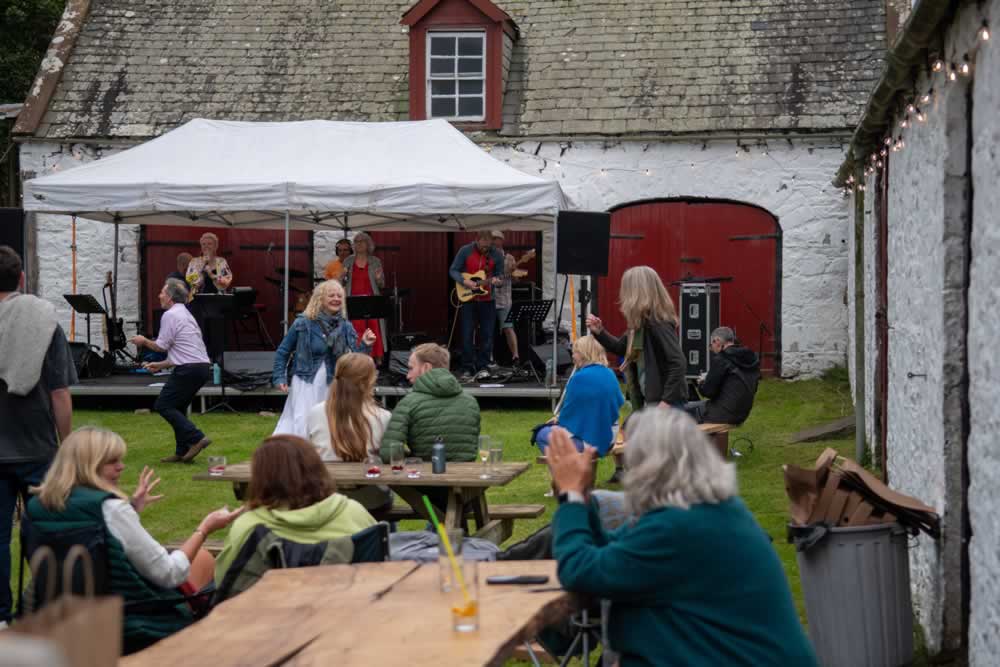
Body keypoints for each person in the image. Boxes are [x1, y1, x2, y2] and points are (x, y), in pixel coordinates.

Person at [546, 410, 818, 666]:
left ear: (651, 469)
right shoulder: (705, 511)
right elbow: (613, 552)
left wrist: (570, 497)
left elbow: (581, 572)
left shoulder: (679, 527)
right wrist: (581, 498)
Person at [26, 427, 243, 653]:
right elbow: (169, 573)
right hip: (129, 623)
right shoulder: (109, 508)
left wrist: (132, 511)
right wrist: (204, 529)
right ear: (88, 465)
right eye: (112, 461)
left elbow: (87, 548)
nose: (121, 466)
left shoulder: (37, 506)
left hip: (56, 616)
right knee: (206, 562)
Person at [0, 246, 76, 627]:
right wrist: (69, 446)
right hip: (36, 442)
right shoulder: (45, 321)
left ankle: (0, 616)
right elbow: (60, 393)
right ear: (22, 279)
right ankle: (46, 607)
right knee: (48, 531)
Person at [214, 435, 376, 584]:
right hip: (349, 608)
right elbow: (383, 568)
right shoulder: (354, 512)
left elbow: (225, 582)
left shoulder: (249, 527)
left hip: (270, 612)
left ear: (260, 478)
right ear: (317, 469)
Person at [587, 265, 687, 483]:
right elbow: (620, 348)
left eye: (626, 289)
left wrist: (666, 402)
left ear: (637, 291)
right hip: (650, 401)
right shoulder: (638, 326)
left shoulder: (658, 324)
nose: (622, 295)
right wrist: (599, 332)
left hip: (663, 403)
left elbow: (677, 363)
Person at [272, 280, 375, 437]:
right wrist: (279, 377)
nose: (336, 299)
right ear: (320, 298)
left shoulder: (346, 326)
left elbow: (356, 360)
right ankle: (299, 454)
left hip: (333, 382)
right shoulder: (303, 323)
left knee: (330, 422)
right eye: (331, 295)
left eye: (339, 296)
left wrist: (366, 345)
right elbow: (283, 351)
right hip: (306, 382)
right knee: (303, 422)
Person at [131, 278, 212, 463]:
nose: (159, 295)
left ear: (169, 297)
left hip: (189, 369)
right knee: (178, 406)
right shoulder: (185, 314)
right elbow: (183, 350)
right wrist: (160, 366)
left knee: (164, 405)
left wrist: (143, 341)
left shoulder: (170, 315)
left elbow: (161, 346)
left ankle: (197, 438)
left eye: (162, 292)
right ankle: (182, 451)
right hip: (201, 367)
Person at [306, 353, 393, 517]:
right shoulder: (383, 417)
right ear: (367, 381)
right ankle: (384, 539)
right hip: (371, 502)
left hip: (328, 498)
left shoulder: (315, 413)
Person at [382, 343, 479, 462]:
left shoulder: (408, 403)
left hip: (425, 477)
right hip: (465, 477)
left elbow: (389, 453)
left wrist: (411, 457)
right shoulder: (471, 403)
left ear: (426, 368)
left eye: (411, 368)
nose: (407, 376)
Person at [533, 335, 624, 457]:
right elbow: (617, 402)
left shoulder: (579, 378)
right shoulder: (610, 373)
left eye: (575, 352)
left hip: (590, 442)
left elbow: (568, 416)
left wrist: (558, 420)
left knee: (541, 434)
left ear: (584, 354)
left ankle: (566, 472)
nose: (572, 356)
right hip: (611, 437)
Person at [449, 230, 505, 382]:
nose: (485, 249)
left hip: (488, 299)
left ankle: (483, 366)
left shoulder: (497, 254)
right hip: (468, 300)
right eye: (483, 246)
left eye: (488, 246)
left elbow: (500, 276)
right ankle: (467, 367)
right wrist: (464, 281)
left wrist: (498, 282)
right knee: (467, 334)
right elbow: (453, 270)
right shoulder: (465, 250)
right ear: (477, 240)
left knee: (487, 335)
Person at [686, 326, 761, 425]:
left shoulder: (722, 359)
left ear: (717, 341)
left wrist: (701, 382)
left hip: (721, 414)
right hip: (741, 414)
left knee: (679, 410)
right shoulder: (751, 358)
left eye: (711, 344)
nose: (711, 348)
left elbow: (708, 392)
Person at [490, 231, 535, 366]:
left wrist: (515, 274)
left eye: (496, 239)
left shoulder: (509, 258)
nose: (493, 241)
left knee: (508, 328)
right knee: (488, 330)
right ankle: (489, 358)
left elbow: (514, 279)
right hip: (488, 298)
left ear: (501, 241)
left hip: (504, 300)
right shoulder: (487, 257)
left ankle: (516, 357)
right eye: (492, 239)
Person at [340, 231, 386, 362]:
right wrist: (342, 276)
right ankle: (357, 356)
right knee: (356, 328)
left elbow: (382, 284)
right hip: (354, 300)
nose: (358, 244)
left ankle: (376, 358)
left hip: (371, 300)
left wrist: (378, 278)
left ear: (368, 244)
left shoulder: (375, 261)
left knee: (373, 328)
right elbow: (340, 282)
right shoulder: (348, 261)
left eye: (362, 241)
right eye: (356, 242)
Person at [185, 232, 233, 296]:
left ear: (216, 246)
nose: (206, 246)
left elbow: (226, 282)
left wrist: (211, 274)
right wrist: (201, 269)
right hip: (198, 299)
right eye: (203, 244)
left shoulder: (221, 261)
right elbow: (190, 281)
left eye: (209, 244)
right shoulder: (194, 262)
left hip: (217, 299)